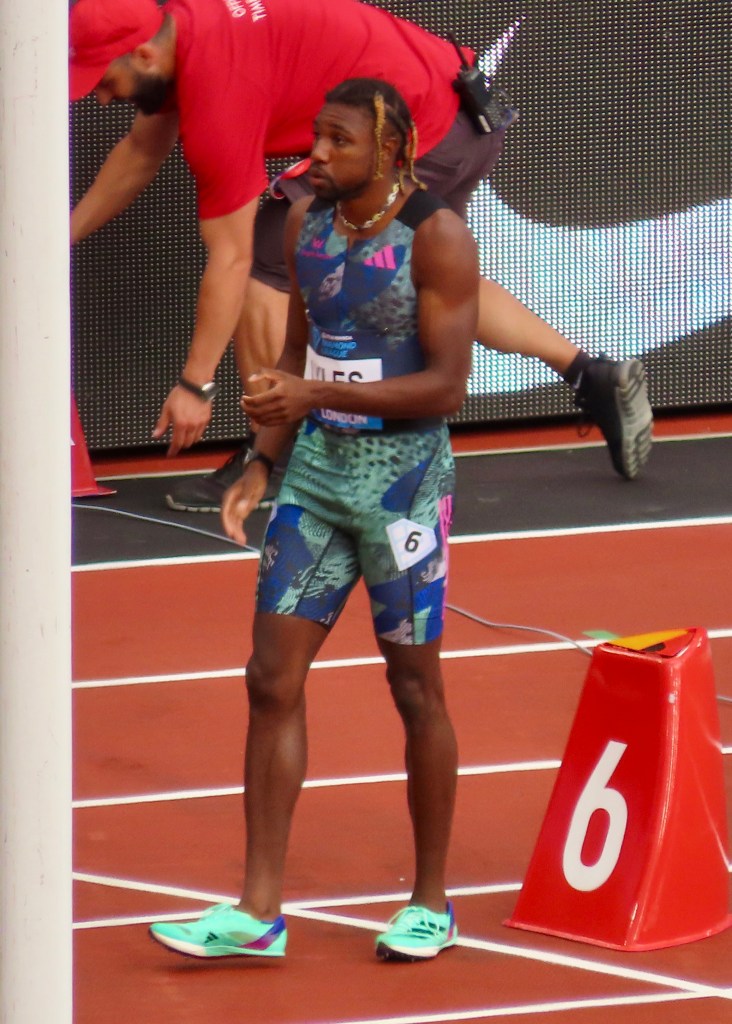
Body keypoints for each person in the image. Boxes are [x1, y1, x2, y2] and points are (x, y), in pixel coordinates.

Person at [69, 0, 653, 512]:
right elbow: (141, 151)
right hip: (457, 111)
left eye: (103, 79)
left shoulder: (220, 88)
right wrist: (56, 239)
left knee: (271, 255)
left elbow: (231, 259)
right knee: (429, 276)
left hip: (423, 126)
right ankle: (593, 374)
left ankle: (279, 455)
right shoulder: (183, 27)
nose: (100, 96)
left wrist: (196, 386)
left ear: (144, 54)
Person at [149, 76, 477, 962]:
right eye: (316, 138)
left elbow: (447, 386)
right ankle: (258, 912)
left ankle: (431, 903)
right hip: (317, 480)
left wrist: (314, 395)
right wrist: (262, 459)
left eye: (338, 141)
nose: (317, 155)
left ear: (390, 150)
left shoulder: (436, 237)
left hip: (405, 489)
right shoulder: (307, 226)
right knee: (269, 678)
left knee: (414, 689)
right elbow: (298, 351)